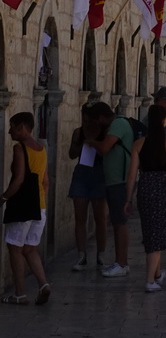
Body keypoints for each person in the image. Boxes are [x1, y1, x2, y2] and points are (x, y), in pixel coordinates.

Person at [124, 104, 166, 292]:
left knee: (151, 232)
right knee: (160, 234)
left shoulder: (139, 144)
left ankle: (157, 274)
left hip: (146, 188)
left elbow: (132, 175)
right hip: (164, 190)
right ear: (164, 121)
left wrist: (128, 199)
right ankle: (150, 280)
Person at [0, 112, 50, 306]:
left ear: (22, 127)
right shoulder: (41, 148)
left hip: (22, 206)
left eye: (12, 126)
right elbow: (46, 182)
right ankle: (44, 284)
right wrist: (40, 202)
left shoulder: (20, 148)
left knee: (14, 248)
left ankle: (19, 294)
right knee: (30, 249)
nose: (10, 130)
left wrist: (3, 197)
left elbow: (19, 178)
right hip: (40, 206)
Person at [85, 102, 133, 277]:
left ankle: (121, 263)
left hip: (120, 181)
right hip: (115, 181)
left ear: (101, 118)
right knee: (118, 222)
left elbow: (105, 148)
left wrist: (92, 141)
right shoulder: (115, 125)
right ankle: (122, 262)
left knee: (120, 223)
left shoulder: (118, 124)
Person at [67, 104, 108, 272]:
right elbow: (71, 154)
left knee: (100, 219)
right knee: (80, 217)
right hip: (82, 174)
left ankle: (101, 254)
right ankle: (82, 255)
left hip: (99, 175)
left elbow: (107, 153)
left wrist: (96, 144)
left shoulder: (104, 134)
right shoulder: (78, 132)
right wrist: (80, 144)